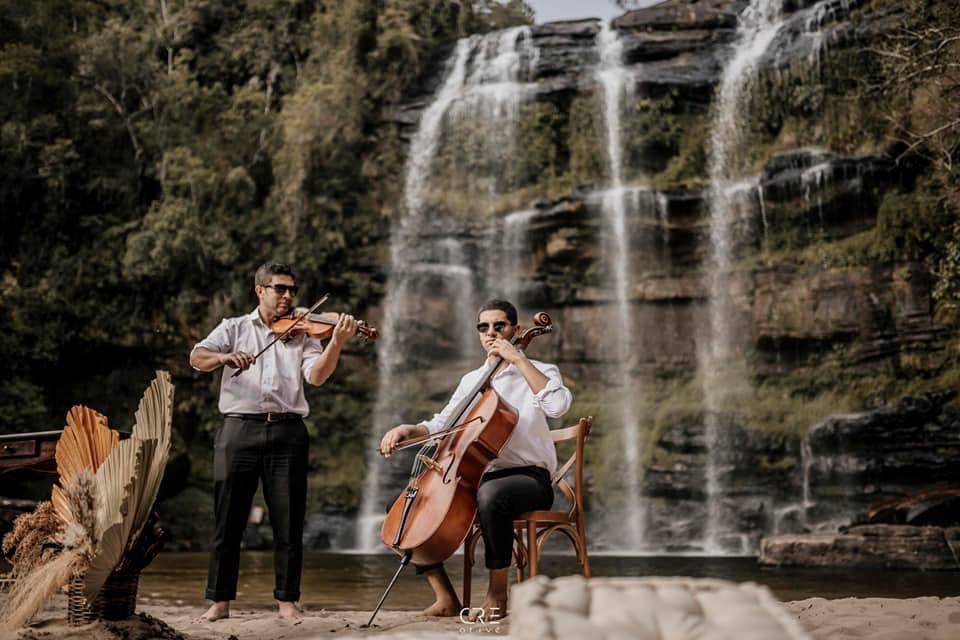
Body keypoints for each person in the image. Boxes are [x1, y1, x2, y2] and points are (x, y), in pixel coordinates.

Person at [379, 299, 572, 620]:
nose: (491, 332)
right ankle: (445, 597)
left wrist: (518, 359)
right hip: (477, 476)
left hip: (529, 478)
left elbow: (558, 407)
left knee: (491, 495)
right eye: (484, 327)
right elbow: (442, 424)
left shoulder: (541, 371)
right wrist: (408, 429)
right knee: (403, 508)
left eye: (500, 325)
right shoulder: (473, 380)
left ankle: (497, 591)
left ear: (516, 330)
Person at [189, 262, 357, 622]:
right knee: (228, 518)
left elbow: (317, 376)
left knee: (289, 519)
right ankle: (219, 600)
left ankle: (287, 601)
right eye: (279, 288)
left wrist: (338, 342)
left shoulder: (304, 333)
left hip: (287, 431)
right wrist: (224, 356)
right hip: (238, 428)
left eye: (292, 290)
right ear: (259, 290)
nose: (287, 297)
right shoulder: (233, 328)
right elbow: (197, 357)